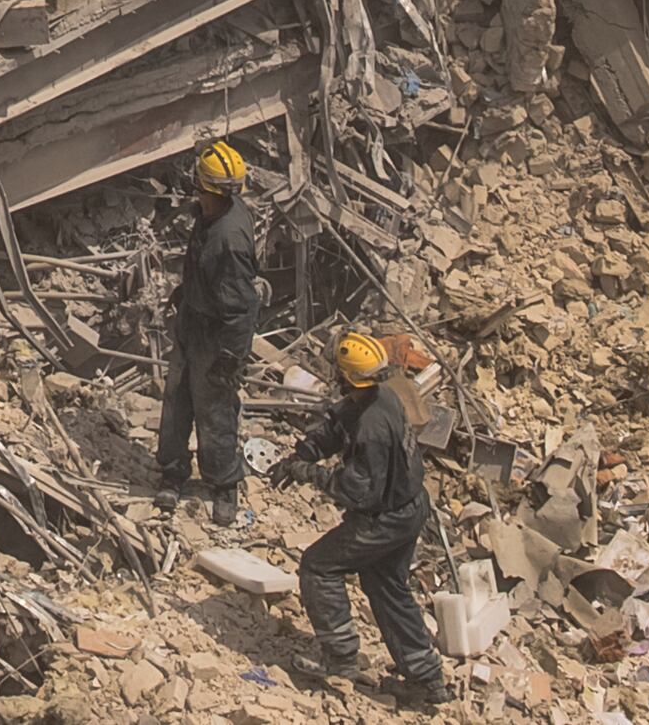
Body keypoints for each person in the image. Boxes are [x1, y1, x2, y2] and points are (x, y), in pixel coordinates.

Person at [281, 331, 448, 704]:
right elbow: (340, 421)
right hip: (410, 506)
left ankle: (340, 661)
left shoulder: (372, 429)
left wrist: (308, 473)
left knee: (318, 567)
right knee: (386, 584)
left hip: (384, 518)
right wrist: (307, 449)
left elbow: (357, 490)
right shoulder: (381, 396)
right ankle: (427, 679)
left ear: (344, 376)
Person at [158, 140, 265, 527]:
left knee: (214, 410)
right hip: (193, 319)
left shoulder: (229, 240)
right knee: (176, 399)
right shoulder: (210, 215)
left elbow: (241, 308)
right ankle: (172, 471)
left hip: (216, 334)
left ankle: (223, 483)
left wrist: (229, 359)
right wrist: (186, 294)